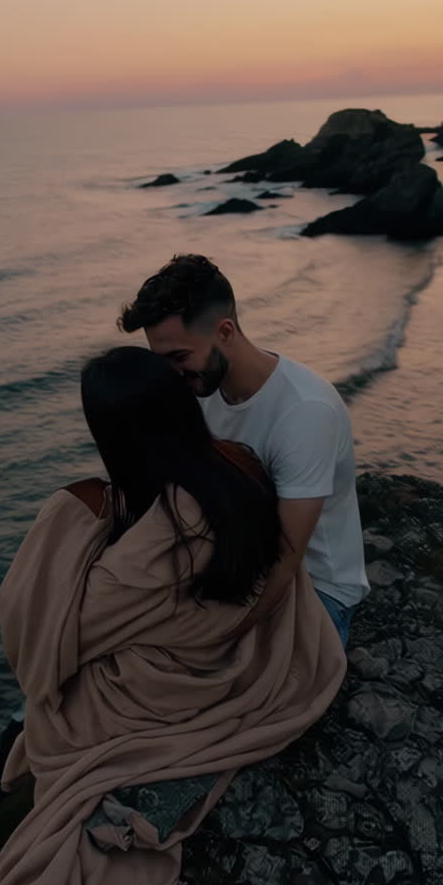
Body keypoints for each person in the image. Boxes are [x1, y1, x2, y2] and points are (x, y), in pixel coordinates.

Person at [0, 347, 345, 885]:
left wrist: (66, 519)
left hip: (178, 687)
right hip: (247, 654)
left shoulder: (151, 550)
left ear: (114, 435)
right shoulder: (235, 467)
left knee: (58, 709)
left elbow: (49, 642)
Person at [118, 254, 369, 646]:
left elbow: (287, 559)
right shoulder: (201, 389)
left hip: (316, 587)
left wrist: (224, 638)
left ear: (225, 332)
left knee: (190, 668)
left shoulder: (305, 412)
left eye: (178, 357)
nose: (170, 374)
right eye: (161, 360)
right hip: (235, 564)